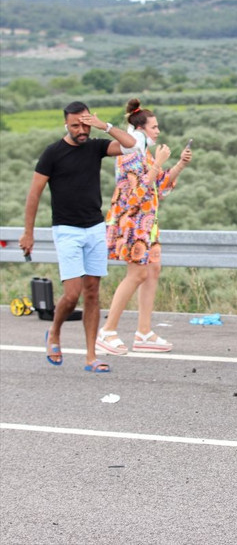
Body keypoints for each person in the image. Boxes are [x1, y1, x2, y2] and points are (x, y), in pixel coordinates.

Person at [19, 101, 137, 373]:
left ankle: (91, 356)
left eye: (85, 124)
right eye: (75, 125)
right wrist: (29, 233)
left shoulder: (95, 146)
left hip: (95, 227)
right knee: (72, 295)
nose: (81, 130)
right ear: (66, 125)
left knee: (93, 292)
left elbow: (132, 146)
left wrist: (104, 126)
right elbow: (34, 195)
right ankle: (55, 332)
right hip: (67, 229)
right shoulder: (52, 154)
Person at [96, 99, 192, 355]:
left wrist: (180, 164)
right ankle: (107, 331)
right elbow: (136, 195)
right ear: (141, 128)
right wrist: (159, 163)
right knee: (137, 274)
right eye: (154, 126)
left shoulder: (144, 154)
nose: (158, 131)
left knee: (153, 271)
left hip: (148, 224)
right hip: (133, 223)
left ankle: (144, 332)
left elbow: (160, 186)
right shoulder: (128, 155)